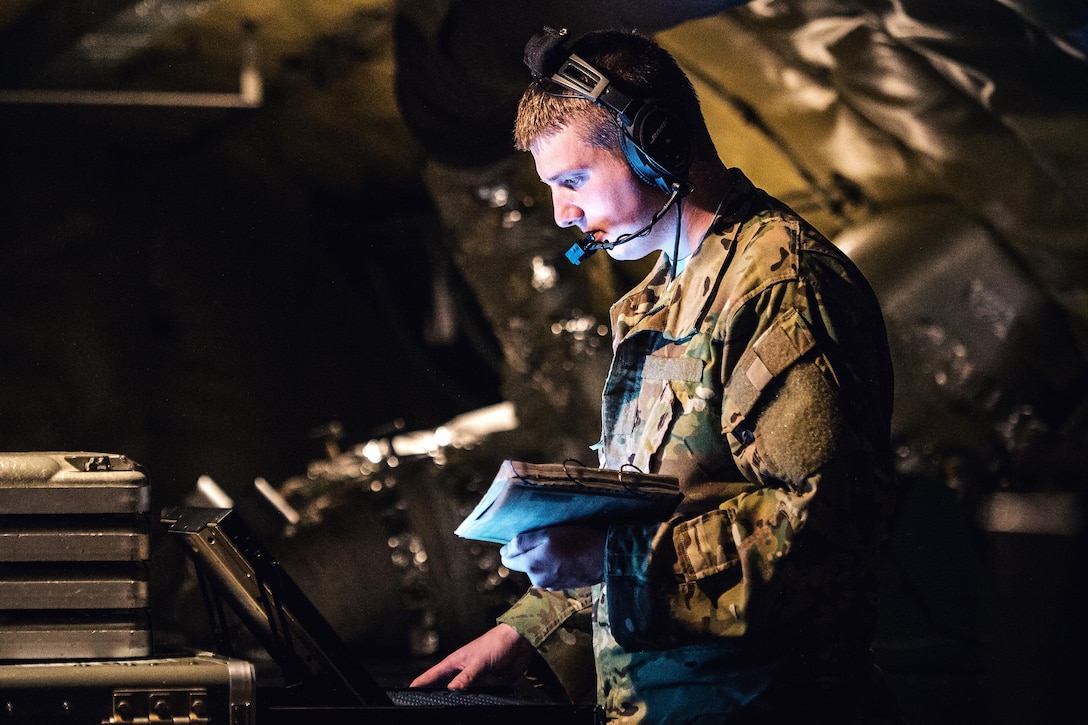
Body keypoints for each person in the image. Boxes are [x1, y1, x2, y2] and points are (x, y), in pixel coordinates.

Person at [412, 27, 903, 724]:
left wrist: (613, 562)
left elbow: (822, 532)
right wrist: (526, 629)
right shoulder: (662, 298)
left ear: (658, 145)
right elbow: (654, 511)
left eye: (574, 180)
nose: (563, 213)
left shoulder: (782, 286)